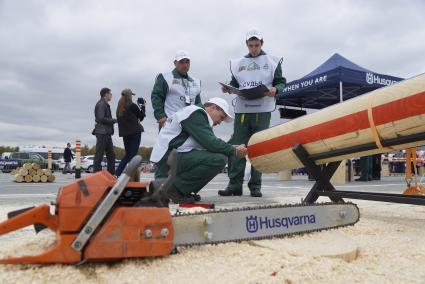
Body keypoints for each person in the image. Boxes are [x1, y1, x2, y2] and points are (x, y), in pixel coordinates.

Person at [218, 29, 286, 197]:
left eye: (256, 45)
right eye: (251, 45)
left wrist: (275, 89)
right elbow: (234, 82)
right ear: (247, 45)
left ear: (261, 44)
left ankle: (255, 186)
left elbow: (281, 82)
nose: (254, 48)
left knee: (258, 147)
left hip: (262, 110)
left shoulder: (272, 61)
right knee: (238, 146)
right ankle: (234, 185)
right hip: (242, 110)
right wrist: (228, 88)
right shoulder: (238, 63)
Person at [150, 97, 247, 203]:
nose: (220, 122)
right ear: (213, 108)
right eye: (221, 117)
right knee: (219, 159)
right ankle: (176, 189)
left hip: (169, 158)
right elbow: (211, 143)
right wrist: (234, 151)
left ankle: (181, 190)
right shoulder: (196, 113)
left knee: (217, 155)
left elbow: (210, 144)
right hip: (168, 159)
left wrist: (234, 147)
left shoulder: (195, 115)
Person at [151, 50, 202, 131]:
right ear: (175, 63)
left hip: (190, 125)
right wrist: (160, 116)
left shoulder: (196, 81)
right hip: (169, 123)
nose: (185, 65)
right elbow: (156, 96)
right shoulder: (165, 77)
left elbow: (198, 103)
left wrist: (200, 120)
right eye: (181, 62)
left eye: (187, 62)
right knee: (167, 144)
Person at [115, 88, 146, 176]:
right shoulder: (132, 105)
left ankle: (117, 173)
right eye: (131, 95)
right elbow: (141, 117)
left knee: (128, 155)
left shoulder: (119, 108)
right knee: (133, 156)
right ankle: (131, 176)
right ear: (129, 95)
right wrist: (143, 106)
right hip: (135, 133)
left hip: (125, 134)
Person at [93, 87, 117, 175]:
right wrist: (114, 120)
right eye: (110, 94)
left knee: (111, 155)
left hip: (106, 132)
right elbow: (100, 118)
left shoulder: (104, 104)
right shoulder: (101, 104)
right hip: (102, 132)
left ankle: (111, 174)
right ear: (106, 94)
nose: (111, 96)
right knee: (99, 155)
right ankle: (96, 175)